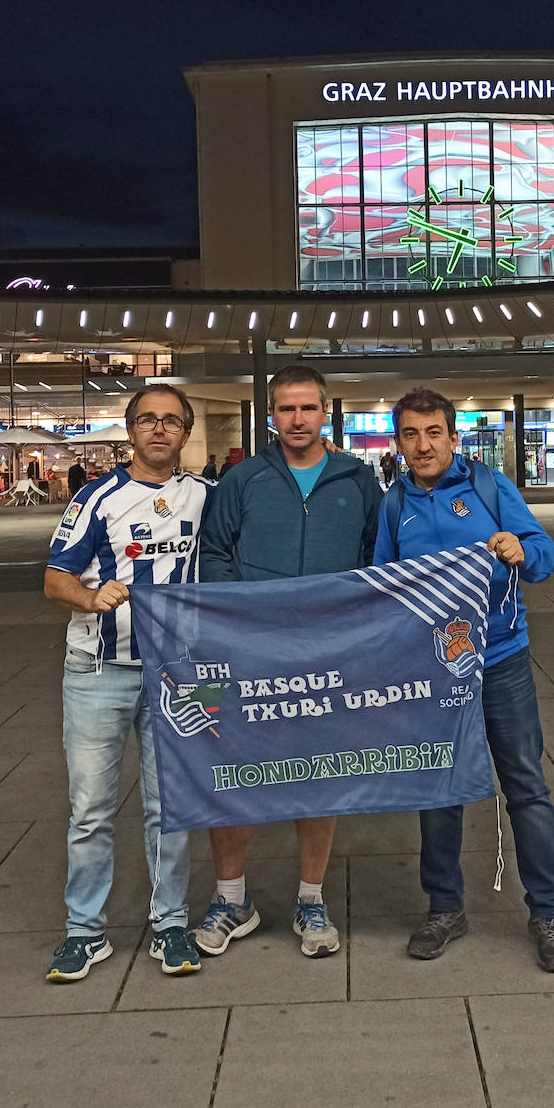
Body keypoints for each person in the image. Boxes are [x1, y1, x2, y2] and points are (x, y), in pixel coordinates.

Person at [377, 387, 554, 973]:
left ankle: (549, 913)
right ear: (399, 442)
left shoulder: (490, 487)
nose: (423, 444)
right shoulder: (394, 506)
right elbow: (383, 583)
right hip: (434, 671)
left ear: (453, 436)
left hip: (501, 660)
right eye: (410, 434)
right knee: (440, 789)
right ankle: (444, 907)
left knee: (526, 787)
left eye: (433, 432)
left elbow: (543, 550)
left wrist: (521, 547)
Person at [196, 364, 383, 959]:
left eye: (307, 408)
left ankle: (311, 899)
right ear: (270, 415)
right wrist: (244, 619)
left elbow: (376, 559)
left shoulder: (358, 480)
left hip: (327, 655)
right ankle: (232, 900)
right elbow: (215, 552)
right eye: (285, 409)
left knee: (319, 775)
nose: (296, 419)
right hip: (250, 652)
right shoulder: (243, 480)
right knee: (235, 774)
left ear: (326, 411)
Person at [42, 384, 213, 983]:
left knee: (170, 806)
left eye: (171, 421)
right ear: (131, 430)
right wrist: (91, 596)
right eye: (148, 420)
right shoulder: (96, 499)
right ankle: (84, 933)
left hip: (176, 675)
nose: (159, 430)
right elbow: (54, 579)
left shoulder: (205, 499)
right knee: (90, 808)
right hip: (99, 674)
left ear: (186, 432)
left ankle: (170, 923)